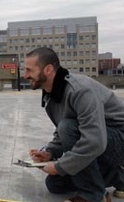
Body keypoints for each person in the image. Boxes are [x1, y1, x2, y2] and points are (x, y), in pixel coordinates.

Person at [24, 47, 124, 202]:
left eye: (29, 70)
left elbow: (94, 141)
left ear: (48, 69)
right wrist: (50, 152)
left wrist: (59, 167)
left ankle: (94, 196)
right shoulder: (52, 94)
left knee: (67, 130)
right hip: (102, 141)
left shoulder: (80, 90)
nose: (25, 75)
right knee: (55, 184)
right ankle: (118, 176)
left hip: (118, 140)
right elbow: (64, 129)